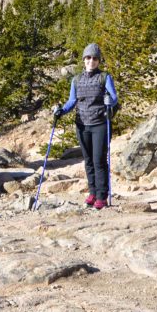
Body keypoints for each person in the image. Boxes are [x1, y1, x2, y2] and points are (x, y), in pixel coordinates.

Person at [52, 43, 118, 209]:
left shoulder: (104, 77)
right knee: (88, 160)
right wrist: (61, 111)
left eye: (95, 58)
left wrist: (110, 102)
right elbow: (72, 101)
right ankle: (93, 193)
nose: (91, 61)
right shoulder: (76, 80)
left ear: (98, 60)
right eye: (88, 57)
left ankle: (102, 195)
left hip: (99, 124)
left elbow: (114, 97)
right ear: (84, 59)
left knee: (99, 160)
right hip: (82, 124)